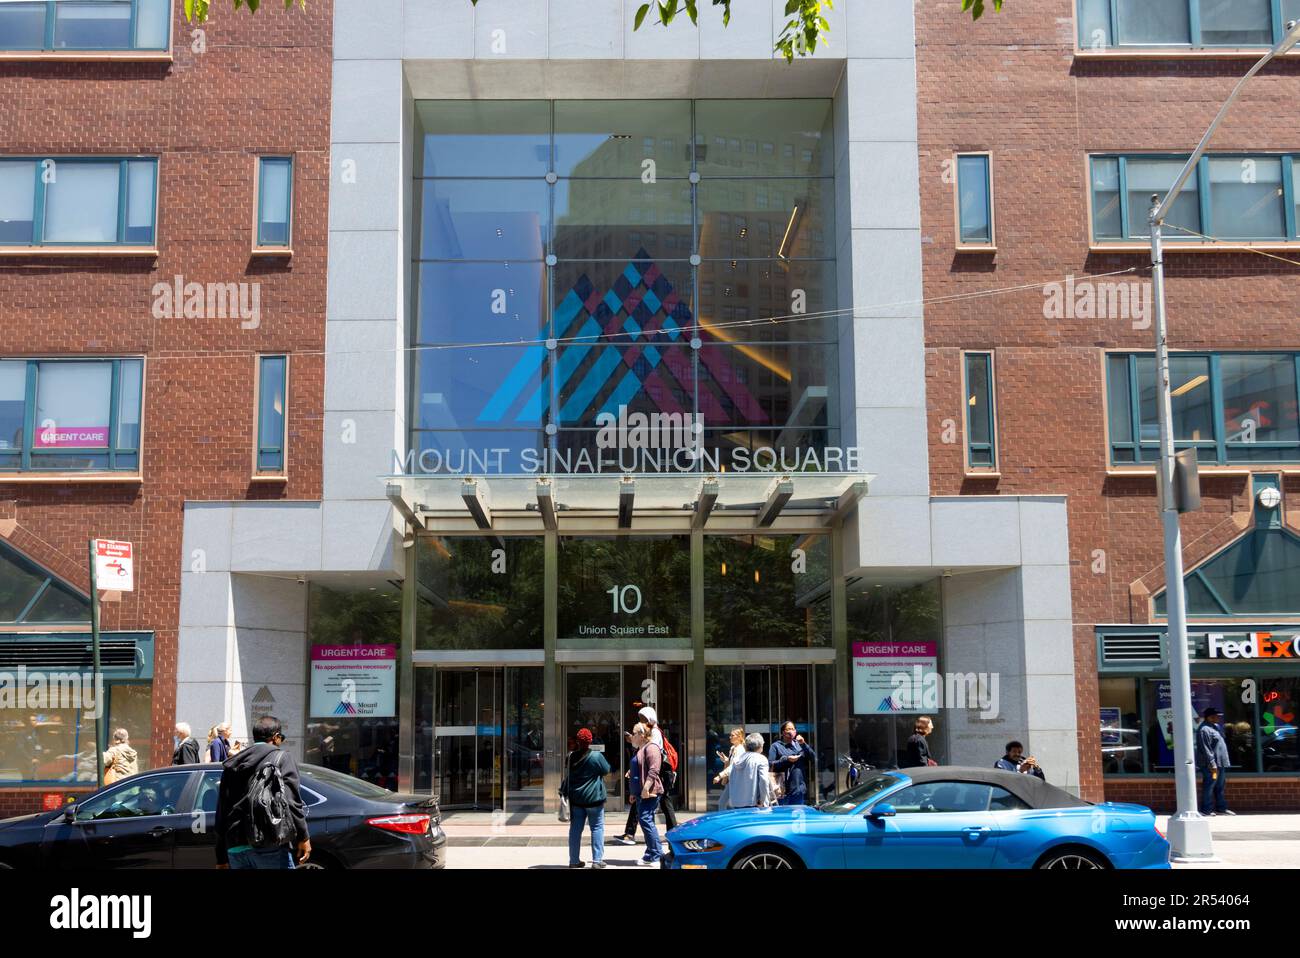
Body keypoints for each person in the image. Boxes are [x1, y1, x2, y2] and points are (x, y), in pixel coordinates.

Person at [214, 715, 311, 869]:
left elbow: (221, 812)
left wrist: (220, 856)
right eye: (281, 738)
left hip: (235, 847)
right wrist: (303, 837)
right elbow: (292, 801)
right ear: (276, 737)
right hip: (268, 841)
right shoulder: (282, 758)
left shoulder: (233, 764)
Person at [612, 705, 678, 844]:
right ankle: (632, 833)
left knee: (661, 802)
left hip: (658, 772)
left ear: (650, 718)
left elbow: (650, 753)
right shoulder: (651, 731)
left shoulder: (655, 732)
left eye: (643, 718)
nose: (641, 720)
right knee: (650, 801)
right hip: (654, 771)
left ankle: (661, 839)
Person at [564, 728, 611, 869]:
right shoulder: (596, 757)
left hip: (577, 800)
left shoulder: (571, 756)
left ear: (578, 741)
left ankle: (573, 861)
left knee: (575, 830)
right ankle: (597, 861)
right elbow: (606, 769)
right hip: (594, 799)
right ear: (590, 741)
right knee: (596, 828)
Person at [628, 723, 664, 866]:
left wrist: (645, 788)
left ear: (642, 735)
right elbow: (638, 770)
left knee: (645, 820)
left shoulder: (652, 748)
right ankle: (650, 854)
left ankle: (657, 855)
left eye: (634, 733)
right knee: (646, 821)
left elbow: (654, 770)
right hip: (640, 793)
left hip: (650, 792)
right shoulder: (641, 749)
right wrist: (633, 792)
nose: (632, 736)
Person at [1196, 707, 1234, 816]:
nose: (1218, 717)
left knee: (1220, 786)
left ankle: (1221, 808)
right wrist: (1212, 763)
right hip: (1211, 765)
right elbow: (1206, 748)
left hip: (1220, 763)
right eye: (1216, 716)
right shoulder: (1204, 730)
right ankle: (1206, 810)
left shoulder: (1216, 727)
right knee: (1209, 785)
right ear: (1209, 717)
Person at [722, 733, 775, 810]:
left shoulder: (737, 759)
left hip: (736, 803)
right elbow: (764, 781)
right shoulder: (761, 759)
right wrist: (763, 800)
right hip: (755, 804)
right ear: (760, 746)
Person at [767, 721, 816, 805]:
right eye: (788, 729)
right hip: (782, 789)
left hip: (798, 789)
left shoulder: (799, 745)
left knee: (798, 816)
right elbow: (770, 764)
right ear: (783, 732)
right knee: (783, 816)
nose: (791, 731)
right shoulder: (776, 746)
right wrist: (787, 759)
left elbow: (813, 758)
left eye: (793, 729)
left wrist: (804, 744)